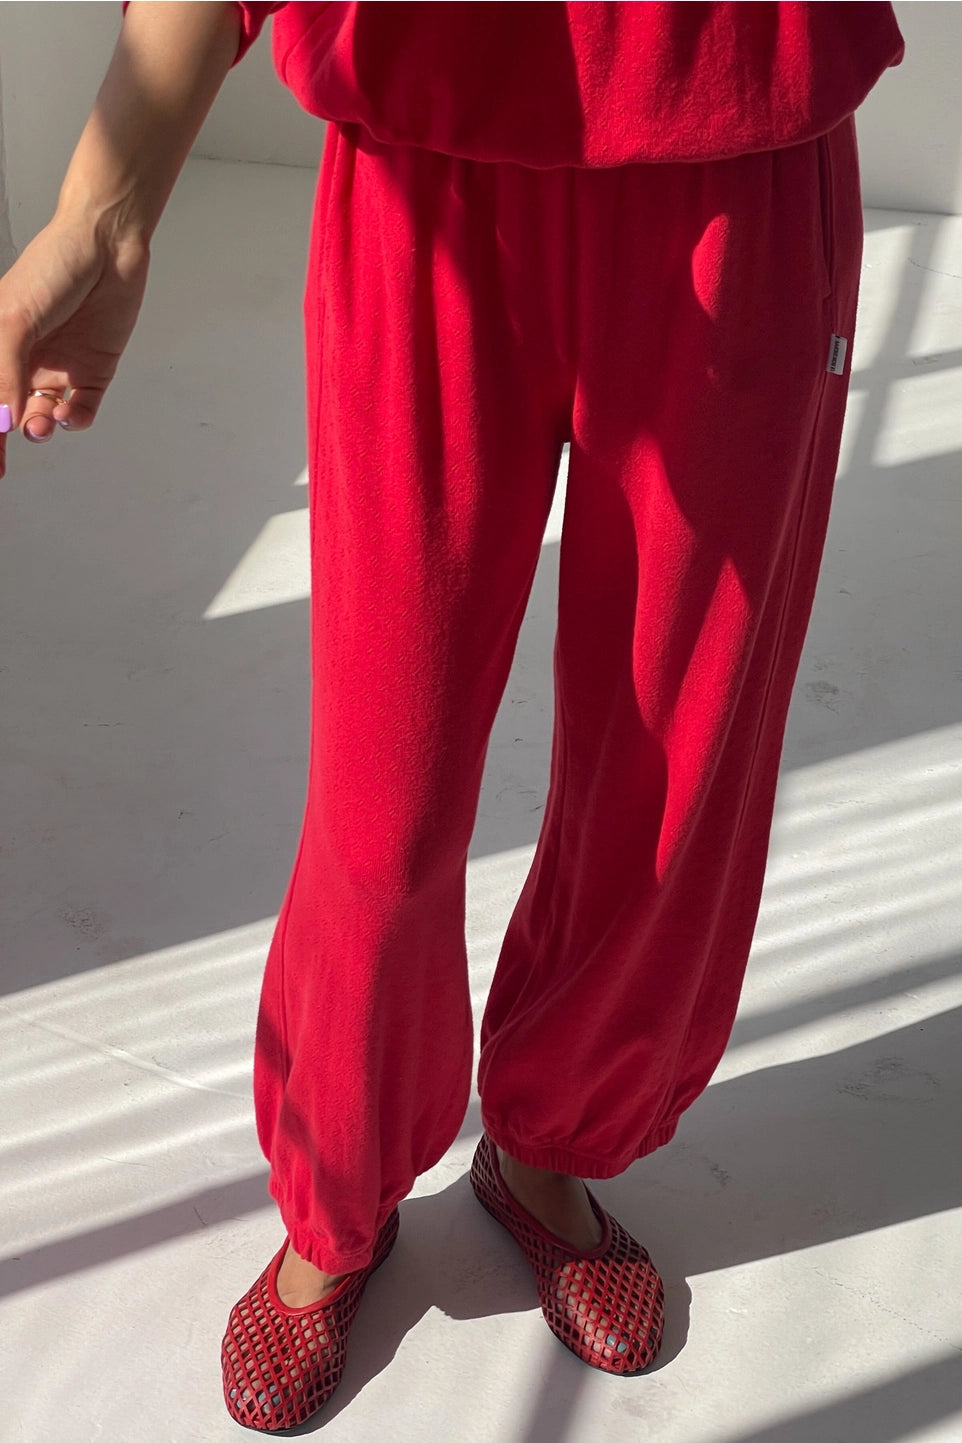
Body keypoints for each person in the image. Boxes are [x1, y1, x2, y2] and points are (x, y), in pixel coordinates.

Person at [0, 1, 905, 1432]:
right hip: (427, 169)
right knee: (385, 792)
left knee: (671, 770)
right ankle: (337, 1193)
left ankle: (548, 1145)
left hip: (738, 154)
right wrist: (101, 214)